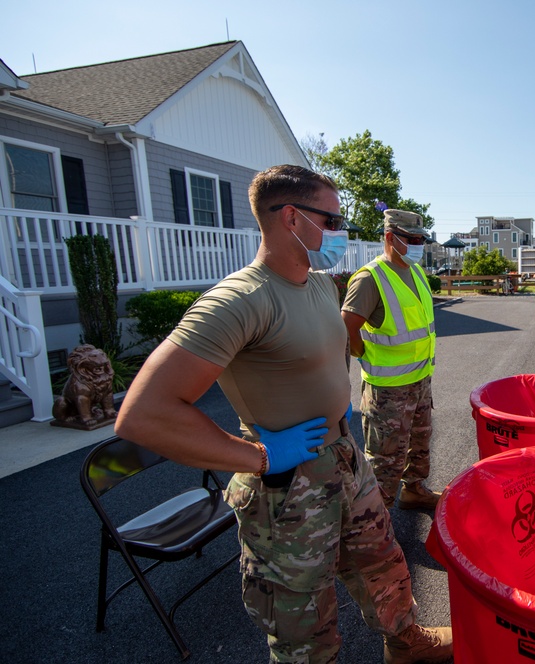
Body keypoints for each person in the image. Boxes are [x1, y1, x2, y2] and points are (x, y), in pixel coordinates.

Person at [115, 165, 452, 663]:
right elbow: (144, 414)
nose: (341, 233)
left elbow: (334, 351)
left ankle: (406, 644)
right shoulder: (237, 301)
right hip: (287, 486)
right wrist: (256, 456)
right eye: (333, 221)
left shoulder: (320, 286)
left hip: (343, 456)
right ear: (292, 218)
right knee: (303, 619)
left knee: (382, 565)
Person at [342, 209, 442, 512]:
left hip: (420, 381)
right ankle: (375, 523)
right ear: (389, 237)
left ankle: (414, 490)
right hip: (387, 390)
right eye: (411, 239)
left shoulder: (415, 272)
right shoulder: (370, 278)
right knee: (385, 460)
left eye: (421, 239)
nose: (418, 245)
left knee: (420, 443)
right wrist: (362, 353)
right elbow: (346, 327)